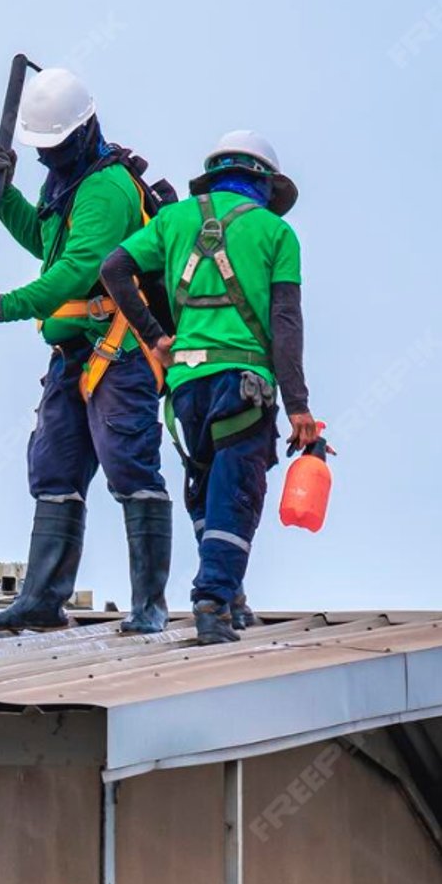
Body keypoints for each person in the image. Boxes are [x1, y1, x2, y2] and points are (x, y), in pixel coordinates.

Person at [0, 68, 175, 633]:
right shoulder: (69, 184)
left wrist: (5, 304)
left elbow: (79, 272)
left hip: (118, 354)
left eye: (54, 146)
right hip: (73, 355)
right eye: (40, 149)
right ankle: (43, 600)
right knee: (54, 469)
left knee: (131, 467)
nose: (48, 157)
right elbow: (48, 245)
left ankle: (149, 605)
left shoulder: (105, 187)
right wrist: (3, 197)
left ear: (82, 131)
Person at [98, 130, 320, 646]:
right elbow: (286, 324)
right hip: (244, 385)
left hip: (184, 392)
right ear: (264, 182)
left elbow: (114, 269)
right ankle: (213, 601)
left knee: (205, 491)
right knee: (235, 494)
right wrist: (299, 407)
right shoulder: (275, 234)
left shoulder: (175, 221)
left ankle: (229, 595)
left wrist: (155, 338)